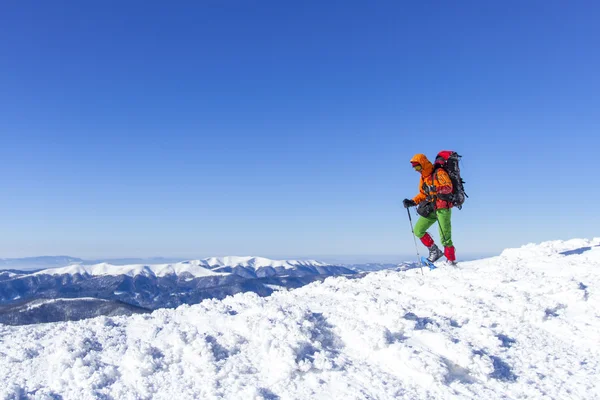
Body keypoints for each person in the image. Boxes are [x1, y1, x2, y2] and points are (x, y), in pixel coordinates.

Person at [403, 153, 457, 264]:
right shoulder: (423, 177)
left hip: (442, 207)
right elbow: (423, 194)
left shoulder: (439, 173)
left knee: (445, 235)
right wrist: (412, 201)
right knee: (418, 230)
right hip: (431, 207)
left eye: (417, 167)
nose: (416, 170)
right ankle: (434, 251)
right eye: (414, 168)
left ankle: (450, 260)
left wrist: (436, 189)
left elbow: (448, 187)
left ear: (423, 164)